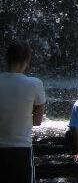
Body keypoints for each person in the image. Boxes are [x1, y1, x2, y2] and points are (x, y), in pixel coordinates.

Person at [0, 41, 46, 183]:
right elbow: (37, 121)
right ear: (27, 60)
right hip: (22, 149)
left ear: (6, 59)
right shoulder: (35, 83)